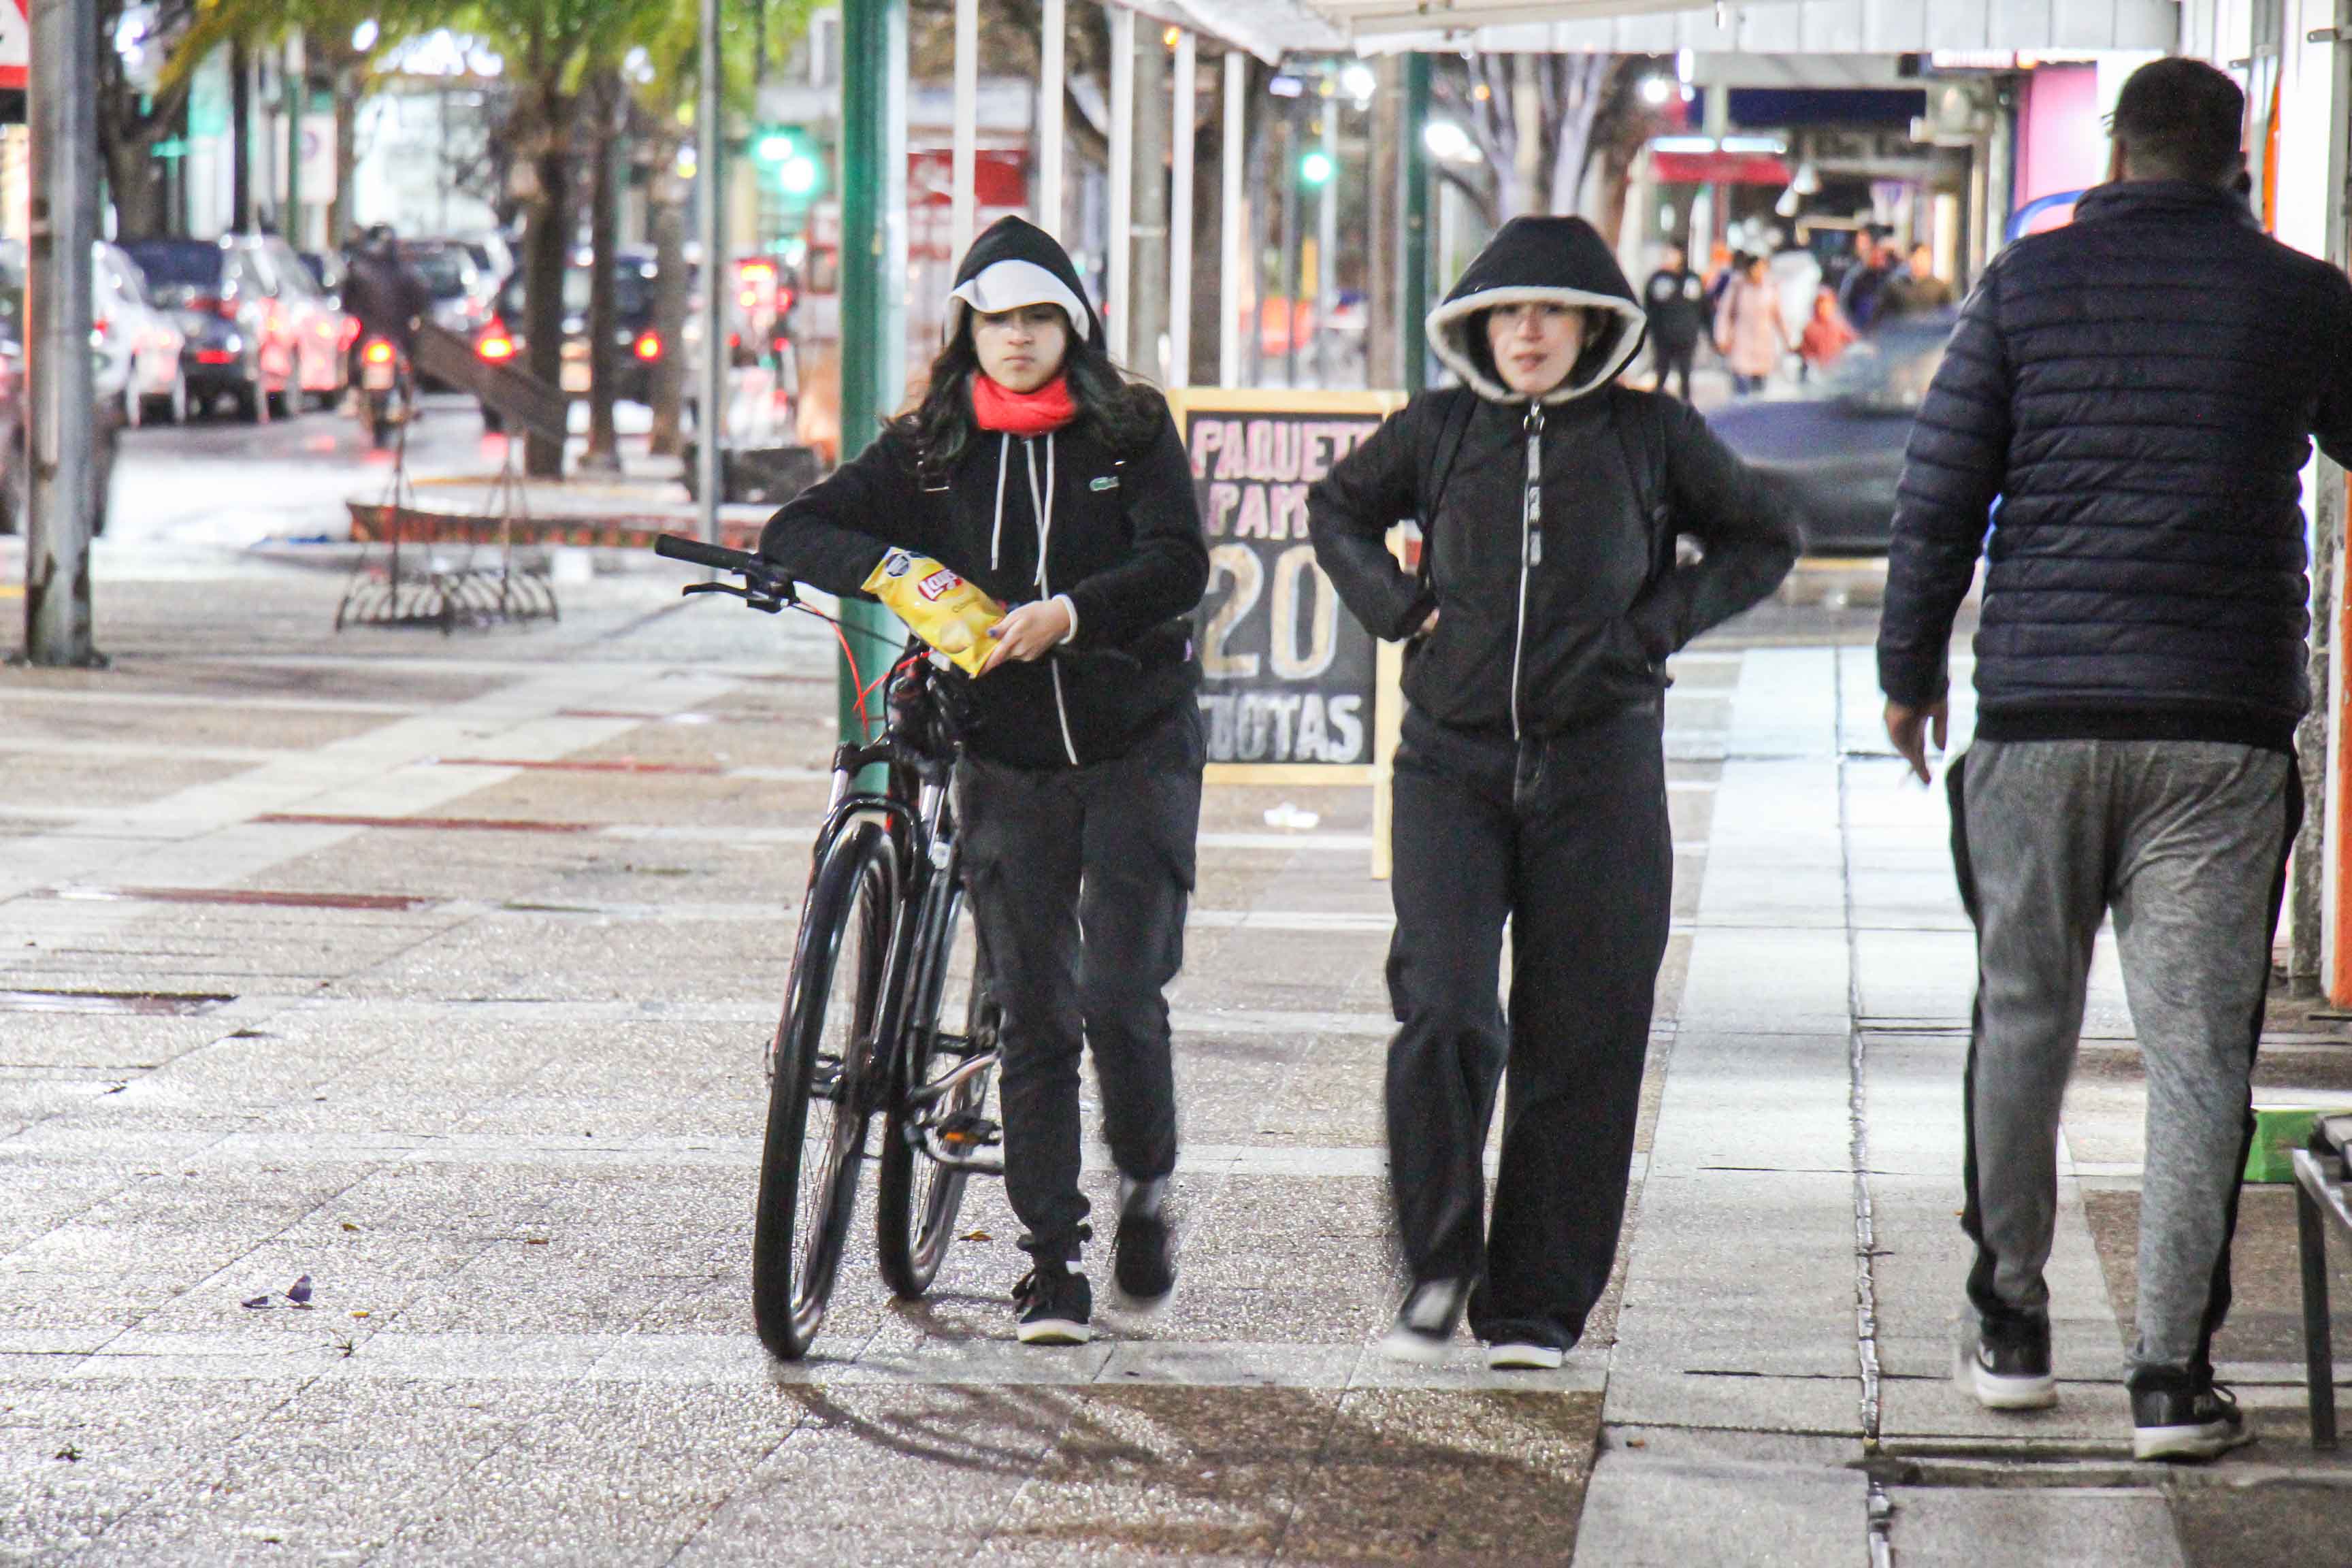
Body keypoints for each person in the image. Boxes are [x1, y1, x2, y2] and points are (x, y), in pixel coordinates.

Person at [1877, 56, 2352, 1462]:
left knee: (2022, 1020)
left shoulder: (2023, 288)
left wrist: (1909, 680)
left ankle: (2011, 1332)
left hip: (2038, 718)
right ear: (2233, 159)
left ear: (2117, 150)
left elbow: (1941, 490)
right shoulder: (2299, 293)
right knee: (2200, 1057)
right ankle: (2165, 1378)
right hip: (2217, 729)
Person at [1309, 216, 1801, 1369]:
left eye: (1551, 310)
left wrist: (1658, 626)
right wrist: (1398, 607)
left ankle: (1533, 1305)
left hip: (1603, 768)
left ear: (1593, 325)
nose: (1527, 330)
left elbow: (1764, 534)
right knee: (1445, 1005)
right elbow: (1336, 509)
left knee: (1582, 1037)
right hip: (1449, 767)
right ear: (1479, 324)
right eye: (1508, 310)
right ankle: (1437, 1266)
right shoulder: (1437, 429)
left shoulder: (1652, 432)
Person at [757, 216, 1209, 1347]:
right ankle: (1050, 1260)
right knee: (1037, 1009)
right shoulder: (931, 444)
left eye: (1038, 317)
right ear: (968, 328)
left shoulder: (1131, 428)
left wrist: (1072, 612)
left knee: (1118, 990)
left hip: (1134, 740)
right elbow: (796, 525)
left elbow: (1178, 562)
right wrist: (895, 567)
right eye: (997, 318)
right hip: (1003, 756)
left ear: (1075, 324)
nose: (1016, 339)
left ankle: (1147, 1181)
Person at [1714, 252, 1789, 396]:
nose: (1760, 272)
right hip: (1741, 343)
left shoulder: (1771, 288)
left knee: (1759, 396)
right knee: (1741, 393)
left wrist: (1787, 339)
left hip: (1763, 345)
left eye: (1763, 268)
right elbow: (1724, 314)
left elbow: (1779, 316)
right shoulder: (1737, 287)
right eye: (1757, 268)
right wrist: (1721, 337)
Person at [1642, 242, 1706, 402]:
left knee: (1685, 373)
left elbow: (1703, 307)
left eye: (1673, 253)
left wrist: (1705, 330)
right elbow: (1649, 306)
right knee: (1662, 371)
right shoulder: (1657, 279)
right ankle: (1656, 406)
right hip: (1662, 335)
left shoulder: (1692, 279)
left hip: (1686, 334)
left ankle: (1686, 408)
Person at [1837, 229, 1896, 332]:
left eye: (1882, 254)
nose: (1880, 257)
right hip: (1861, 326)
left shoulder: (1892, 277)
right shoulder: (1859, 276)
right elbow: (1847, 300)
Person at [1878, 243, 1957, 321]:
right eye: (1916, 259)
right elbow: (1881, 314)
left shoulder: (1940, 287)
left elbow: (1949, 315)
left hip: (1932, 331)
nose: (1920, 263)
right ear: (1910, 260)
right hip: (1902, 331)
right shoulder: (1896, 286)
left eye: (1924, 259)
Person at [1797, 287, 1856, 380]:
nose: (1822, 310)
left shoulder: (1839, 324)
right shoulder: (1809, 327)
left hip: (1837, 367)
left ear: (1833, 307)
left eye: (1826, 306)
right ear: (1814, 308)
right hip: (1818, 370)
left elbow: (1853, 340)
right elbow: (1804, 350)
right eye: (1818, 306)